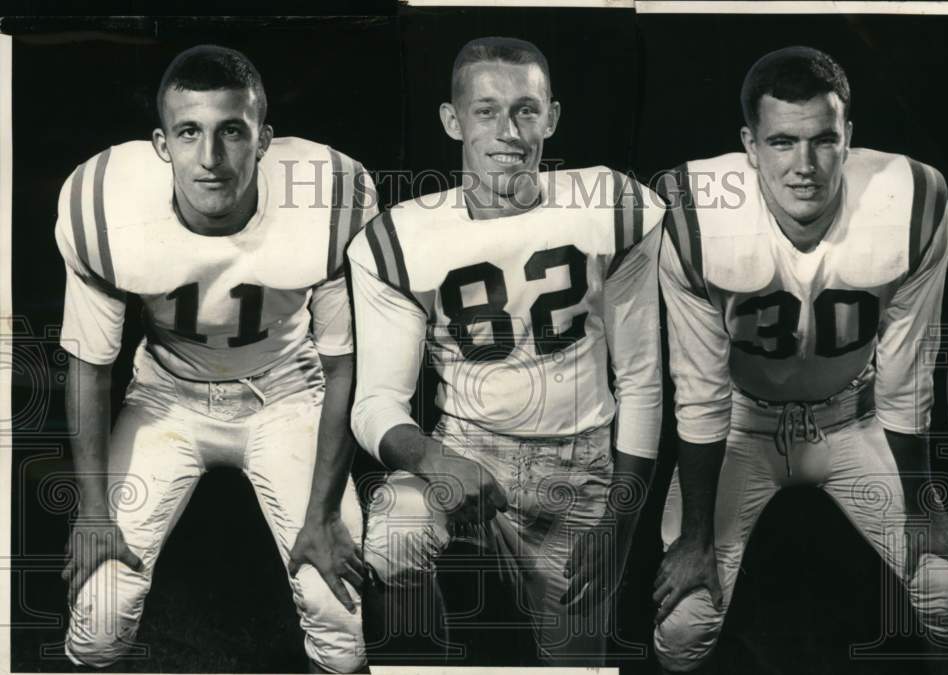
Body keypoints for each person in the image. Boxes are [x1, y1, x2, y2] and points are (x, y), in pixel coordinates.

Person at [652, 46, 948, 672]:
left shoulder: (913, 198)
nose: (804, 165)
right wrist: (695, 537)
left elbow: (908, 374)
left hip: (851, 419)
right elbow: (699, 391)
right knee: (684, 624)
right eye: (781, 142)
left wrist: (922, 505)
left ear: (848, 136)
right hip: (742, 426)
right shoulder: (694, 209)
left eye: (823, 141)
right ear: (749, 144)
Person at [56, 45, 376, 673]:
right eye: (188, 133)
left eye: (232, 131)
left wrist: (321, 514)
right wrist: (93, 513)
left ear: (264, 140)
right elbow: (90, 365)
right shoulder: (100, 202)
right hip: (166, 396)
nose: (210, 158)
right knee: (98, 616)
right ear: (160, 142)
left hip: (289, 389)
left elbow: (343, 363)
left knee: (335, 609)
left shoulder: (333, 194)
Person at [348, 36, 664, 665]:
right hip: (469, 445)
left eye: (526, 109)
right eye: (487, 110)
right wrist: (433, 458)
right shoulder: (399, 237)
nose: (509, 130)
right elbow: (375, 403)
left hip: (579, 464)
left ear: (552, 116)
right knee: (392, 538)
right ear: (452, 119)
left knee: (573, 659)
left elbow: (642, 380)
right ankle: (427, 656)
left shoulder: (611, 204)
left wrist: (621, 525)